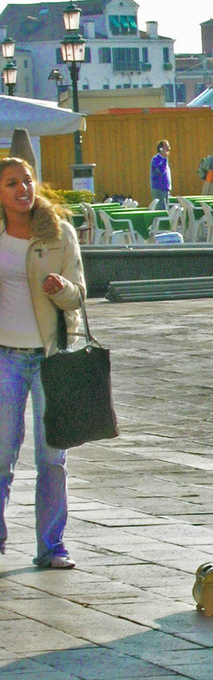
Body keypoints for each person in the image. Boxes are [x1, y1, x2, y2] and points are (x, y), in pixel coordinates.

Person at [0, 157, 86, 568]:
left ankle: (51, 547)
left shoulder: (59, 234)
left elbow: (79, 295)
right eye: (12, 183)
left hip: (51, 358)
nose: (22, 189)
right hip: (4, 358)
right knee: (1, 455)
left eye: (27, 181)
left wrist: (62, 287)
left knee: (52, 457)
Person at [150, 140, 171, 210]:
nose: (169, 148)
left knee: (166, 209)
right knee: (161, 210)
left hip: (165, 189)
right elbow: (161, 171)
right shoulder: (156, 159)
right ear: (161, 148)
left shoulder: (165, 160)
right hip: (158, 189)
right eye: (166, 146)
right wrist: (165, 159)